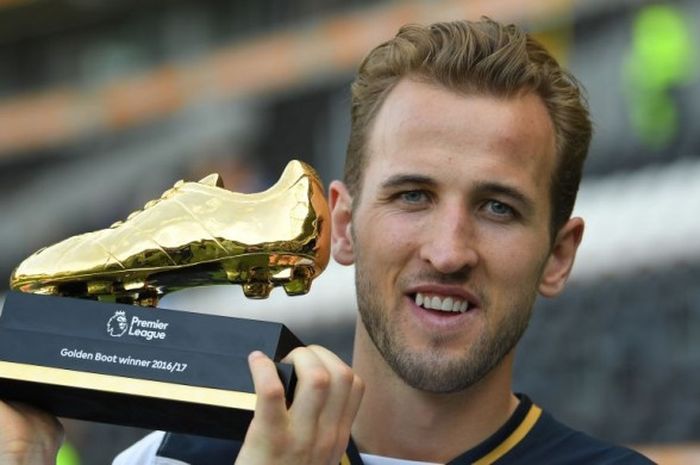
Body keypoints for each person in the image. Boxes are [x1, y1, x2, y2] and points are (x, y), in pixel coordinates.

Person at [0, 18, 654, 465]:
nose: (449, 250)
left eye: (497, 207)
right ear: (341, 225)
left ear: (558, 254)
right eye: (413, 196)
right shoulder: (172, 455)